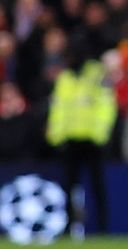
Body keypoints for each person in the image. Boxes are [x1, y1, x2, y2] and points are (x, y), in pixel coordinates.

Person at [46, 48, 116, 237]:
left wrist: (101, 134)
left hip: (93, 140)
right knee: (70, 186)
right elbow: (58, 107)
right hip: (71, 140)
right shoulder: (65, 78)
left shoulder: (96, 74)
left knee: (96, 186)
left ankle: (102, 227)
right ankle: (69, 226)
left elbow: (107, 103)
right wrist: (56, 136)